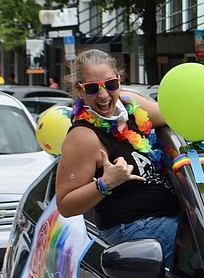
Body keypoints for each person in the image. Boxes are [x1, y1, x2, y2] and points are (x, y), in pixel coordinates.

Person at [55, 49, 181, 265]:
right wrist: (106, 183)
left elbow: (175, 115)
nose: (104, 96)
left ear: (119, 82)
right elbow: (65, 205)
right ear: (79, 91)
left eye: (110, 85)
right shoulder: (83, 137)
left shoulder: (130, 106)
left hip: (170, 216)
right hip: (134, 230)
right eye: (93, 89)